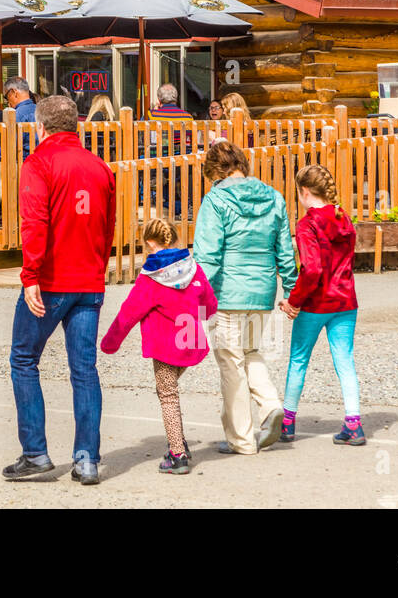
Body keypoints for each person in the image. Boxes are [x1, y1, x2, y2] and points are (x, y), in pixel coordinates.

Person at [4, 96, 116, 486]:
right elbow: (108, 226)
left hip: (52, 278)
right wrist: (99, 270)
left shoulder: (38, 162)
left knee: (23, 359)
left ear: (41, 125)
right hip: (89, 277)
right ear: (76, 125)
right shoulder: (100, 167)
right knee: (84, 370)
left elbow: (34, 221)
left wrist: (30, 274)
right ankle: (87, 459)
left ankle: (35, 452)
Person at [191, 139, 297, 455]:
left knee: (230, 363)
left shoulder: (215, 199)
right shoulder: (274, 198)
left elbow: (208, 255)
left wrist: (194, 293)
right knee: (250, 352)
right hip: (262, 290)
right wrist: (291, 290)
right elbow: (285, 250)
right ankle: (270, 406)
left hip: (227, 292)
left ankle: (241, 439)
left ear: (215, 172)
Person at [101, 218, 218, 475]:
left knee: (167, 395)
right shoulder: (193, 267)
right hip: (191, 341)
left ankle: (178, 454)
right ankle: (179, 442)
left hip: (166, 344)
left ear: (151, 243)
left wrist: (110, 343)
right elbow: (209, 301)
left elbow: (129, 312)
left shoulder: (151, 277)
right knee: (170, 388)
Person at [279, 164, 364, 446]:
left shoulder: (307, 224)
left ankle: (288, 422)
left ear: (304, 192)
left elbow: (312, 269)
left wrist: (293, 301)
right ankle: (353, 422)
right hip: (345, 299)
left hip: (317, 303)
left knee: (299, 359)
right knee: (344, 360)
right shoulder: (343, 218)